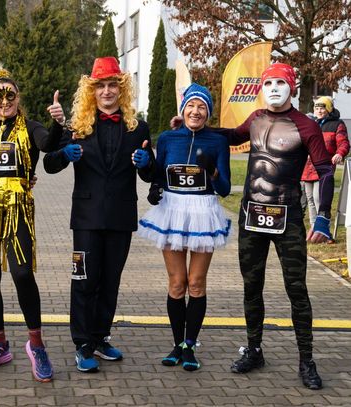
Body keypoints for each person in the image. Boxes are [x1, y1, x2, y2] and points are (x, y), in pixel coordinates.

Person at [205, 63, 333, 390]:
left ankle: (307, 360)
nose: (274, 88)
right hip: (252, 215)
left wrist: (323, 216)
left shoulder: (306, 126)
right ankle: (254, 350)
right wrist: (196, 126)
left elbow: (325, 171)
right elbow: (230, 136)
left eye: (280, 82)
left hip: (288, 216)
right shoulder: (256, 118)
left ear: (293, 87)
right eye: (268, 83)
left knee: (296, 289)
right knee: (252, 285)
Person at [43, 56, 155, 373]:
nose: (107, 91)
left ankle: (101, 337)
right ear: (91, 91)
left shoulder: (138, 128)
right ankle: (82, 343)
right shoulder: (77, 127)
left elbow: (150, 174)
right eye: (101, 86)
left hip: (121, 216)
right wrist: (64, 153)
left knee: (110, 281)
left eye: (112, 85)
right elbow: (49, 165)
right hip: (86, 218)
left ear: (122, 89)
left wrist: (147, 161)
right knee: (84, 281)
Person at [0, 67, 64, 382]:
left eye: (10, 95)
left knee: (21, 273)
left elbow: (47, 144)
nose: (5, 101)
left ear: (18, 98)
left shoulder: (30, 127)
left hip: (17, 208)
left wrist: (58, 122)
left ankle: (37, 345)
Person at [137, 83, 231, 371]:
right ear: (183, 109)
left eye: (202, 107)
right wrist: (149, 175)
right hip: (172, 212)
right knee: (177, 283)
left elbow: (225, 188)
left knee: (196, 282)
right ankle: (178, 344)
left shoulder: (217, 141)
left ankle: (191, 345)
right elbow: (157, 175)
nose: (196, 111)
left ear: (208, 113)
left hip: (204, 213)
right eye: (191, 105)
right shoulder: (167, 138)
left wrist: (211, 170)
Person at [301, 96, 349, 227]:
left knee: (319, 198)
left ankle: (322, 228)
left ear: (328, 109)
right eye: (316, 108)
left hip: (324, 166)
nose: (319, 111)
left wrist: (339, 153)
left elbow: (343, 143)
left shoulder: (337, 124)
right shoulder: (311, 124)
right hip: (307, 167)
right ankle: (314, 227)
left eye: (322, 108)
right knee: (310, 198)